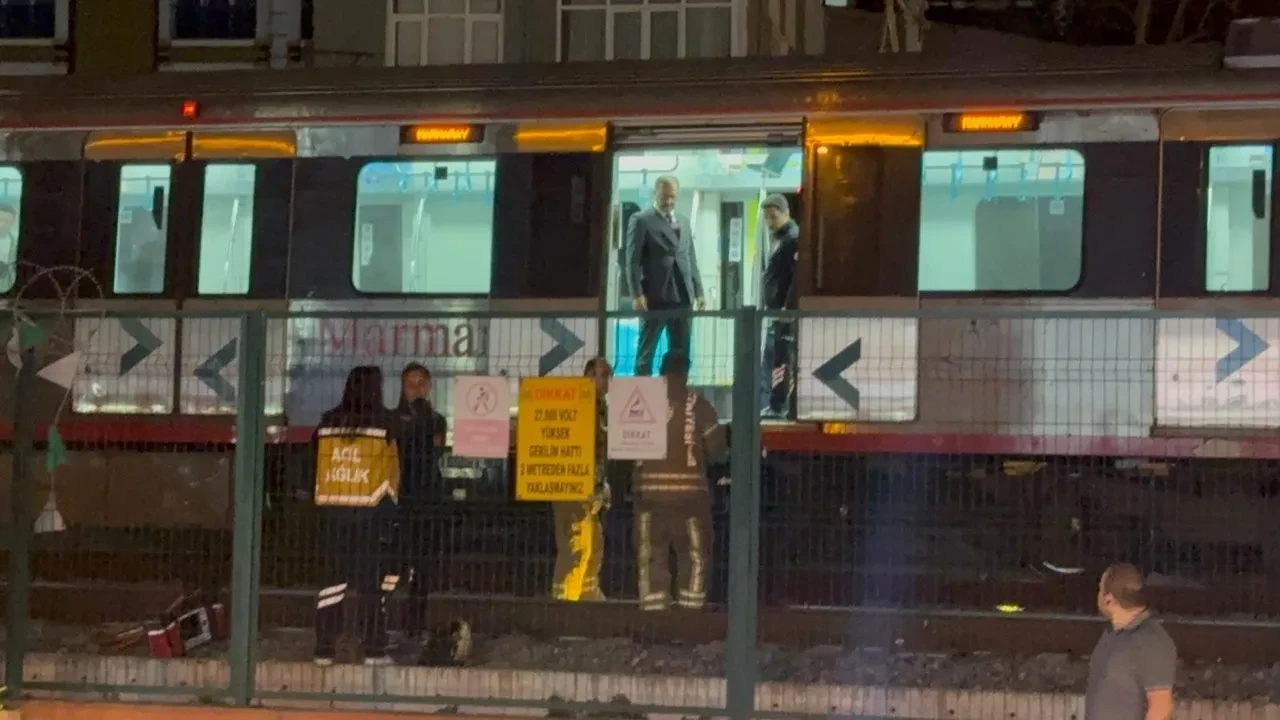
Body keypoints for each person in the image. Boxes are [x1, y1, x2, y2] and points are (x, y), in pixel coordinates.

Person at [311, 366, 402, 666]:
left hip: (332, 516)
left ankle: (324, 648)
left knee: (331, 585)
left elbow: (314, 464)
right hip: (370, 516)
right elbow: (393, 473)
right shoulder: (386, 422)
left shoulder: (327, 421)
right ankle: (374, 648)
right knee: (371, 585)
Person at [632, 351, 726, 611]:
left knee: (651, 554)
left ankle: (653, 613)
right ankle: (690, 612)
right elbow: (717, 447)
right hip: (690, 498)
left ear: (661, 371)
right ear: (686, 373)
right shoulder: (698, 404)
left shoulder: (641, 401)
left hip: (648, 495)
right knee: (694, 555)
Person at [625, 175, 706, 377]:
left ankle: (676, 397)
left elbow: (690, 258)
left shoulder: (685, 222)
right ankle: (643, 398)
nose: (669, 202)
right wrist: (636, 294)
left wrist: (699, 291)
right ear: (656, 193)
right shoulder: (641, 220)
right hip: (654, 296)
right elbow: (632, 260)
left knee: (681, 353)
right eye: (664, 197)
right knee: (646, 352)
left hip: (683, 296)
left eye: (672, 197)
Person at [551, 357, 614, 602]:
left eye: (609, 376)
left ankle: (588, 599)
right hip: (573, 488)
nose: (608, 381)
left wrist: (601, 486)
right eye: (603, 375)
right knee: (575, 548)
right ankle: (564, 606)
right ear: (589, 376)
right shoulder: (577, 404)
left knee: (593, 546)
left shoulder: (600, 407)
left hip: (591, 489)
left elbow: (598, 453)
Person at [393, 363, 447, 642]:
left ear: (429, 386)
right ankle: (392, 617)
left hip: (427, 500)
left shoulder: (436, 419)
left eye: (421, 382)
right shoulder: (391, 419)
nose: (416, 388)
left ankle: (416, 620)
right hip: (399, 499)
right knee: (395, 562)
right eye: (410, 382)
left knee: (424, 564)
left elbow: (431, 447)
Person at [1085, 563, 1176, 720]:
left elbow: (1161, 708)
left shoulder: (1152, 642)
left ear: (1109, 600)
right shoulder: (1111, 634)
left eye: (1100, 589)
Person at [759, 194, 799, 420]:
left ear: (786, 213)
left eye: (773, 217)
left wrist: (788, 307)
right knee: (777, 358)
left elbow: (796, 278)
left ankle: (781, 405)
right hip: (778, 312)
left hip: (785, 314)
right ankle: (777, 404)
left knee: (784, 359)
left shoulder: (792, 239)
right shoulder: (781, 239)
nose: (770, 223)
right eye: (767, 219)